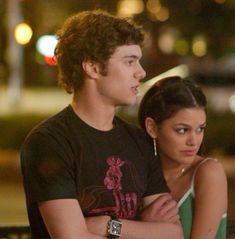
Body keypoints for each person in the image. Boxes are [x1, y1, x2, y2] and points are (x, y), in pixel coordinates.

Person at [20, 10, 183, 239]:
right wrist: (144, 230)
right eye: (129, 62)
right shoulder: (49, 141)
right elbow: (72, 237)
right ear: (93, 68)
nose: (141, 72)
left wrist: (109, 225)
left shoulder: (139, 140)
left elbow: (172, 234)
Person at [138, 76, 228, 239]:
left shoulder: (208, 173)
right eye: (182, 130)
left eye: (200, 129)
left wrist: (144, 228)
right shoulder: (136, 172)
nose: (194, 141)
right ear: (152, 128)